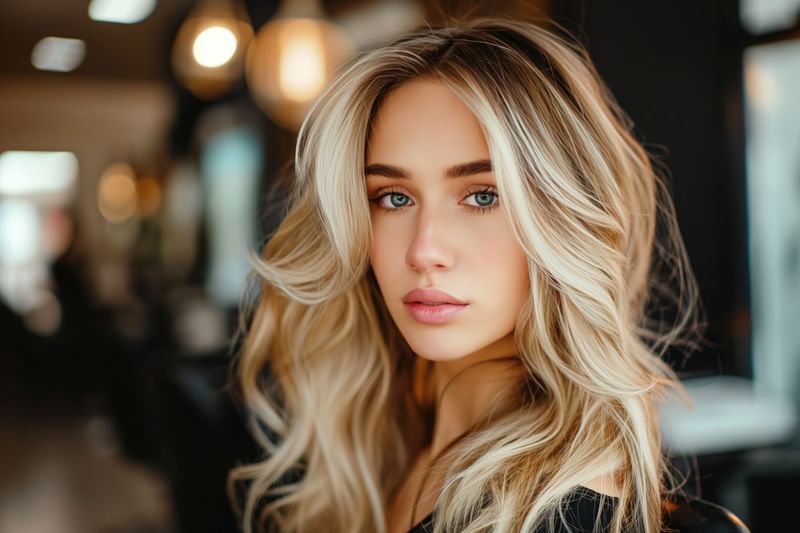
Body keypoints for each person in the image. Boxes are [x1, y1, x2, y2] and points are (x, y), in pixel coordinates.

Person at [227, 16, 704, 533]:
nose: (424, 250)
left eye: (482, 195)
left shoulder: (560, 517)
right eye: (394, 197)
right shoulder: (388, 444)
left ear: (564, 216)